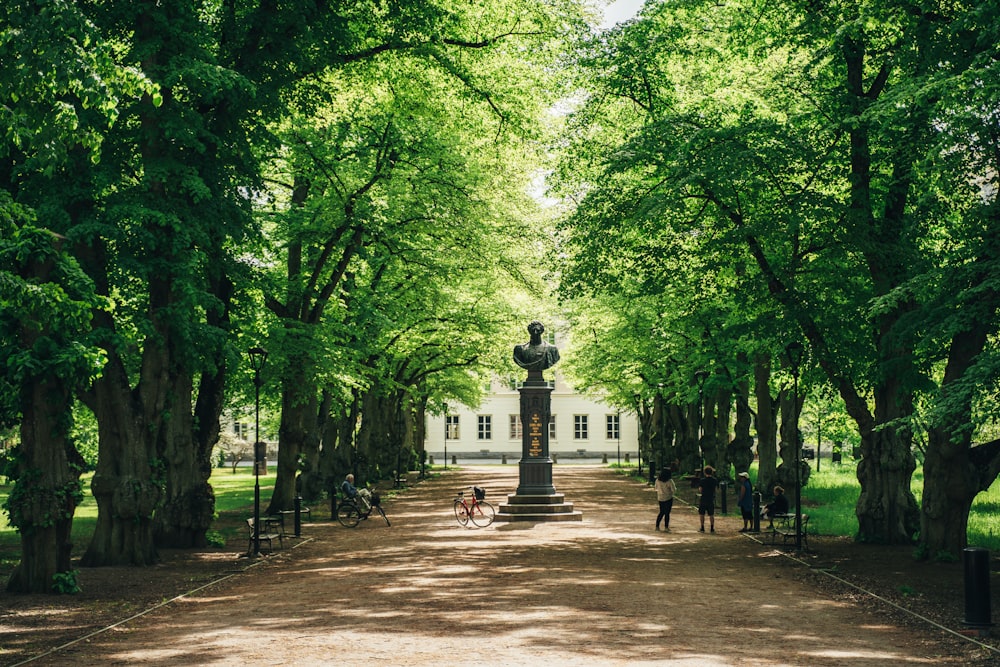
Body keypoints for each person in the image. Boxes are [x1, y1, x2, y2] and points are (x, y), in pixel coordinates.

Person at [697, 465, 719, 533]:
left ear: (704, 472)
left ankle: (702, 527)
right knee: (711, 514)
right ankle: (712, 528)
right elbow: (716, 489)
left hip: (704, 498)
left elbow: (700, 489)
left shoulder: (702, 480)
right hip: (710, 498)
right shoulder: (714, 480)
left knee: (702, 514)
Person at [654, 468, 677, 532]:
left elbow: (655, 488)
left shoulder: (657, 480)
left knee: (661, 512)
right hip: (668, 498)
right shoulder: (670, 481)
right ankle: (666, 527)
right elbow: (673, 490)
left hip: (660, 498)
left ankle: (657, 526)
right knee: (667, 513)